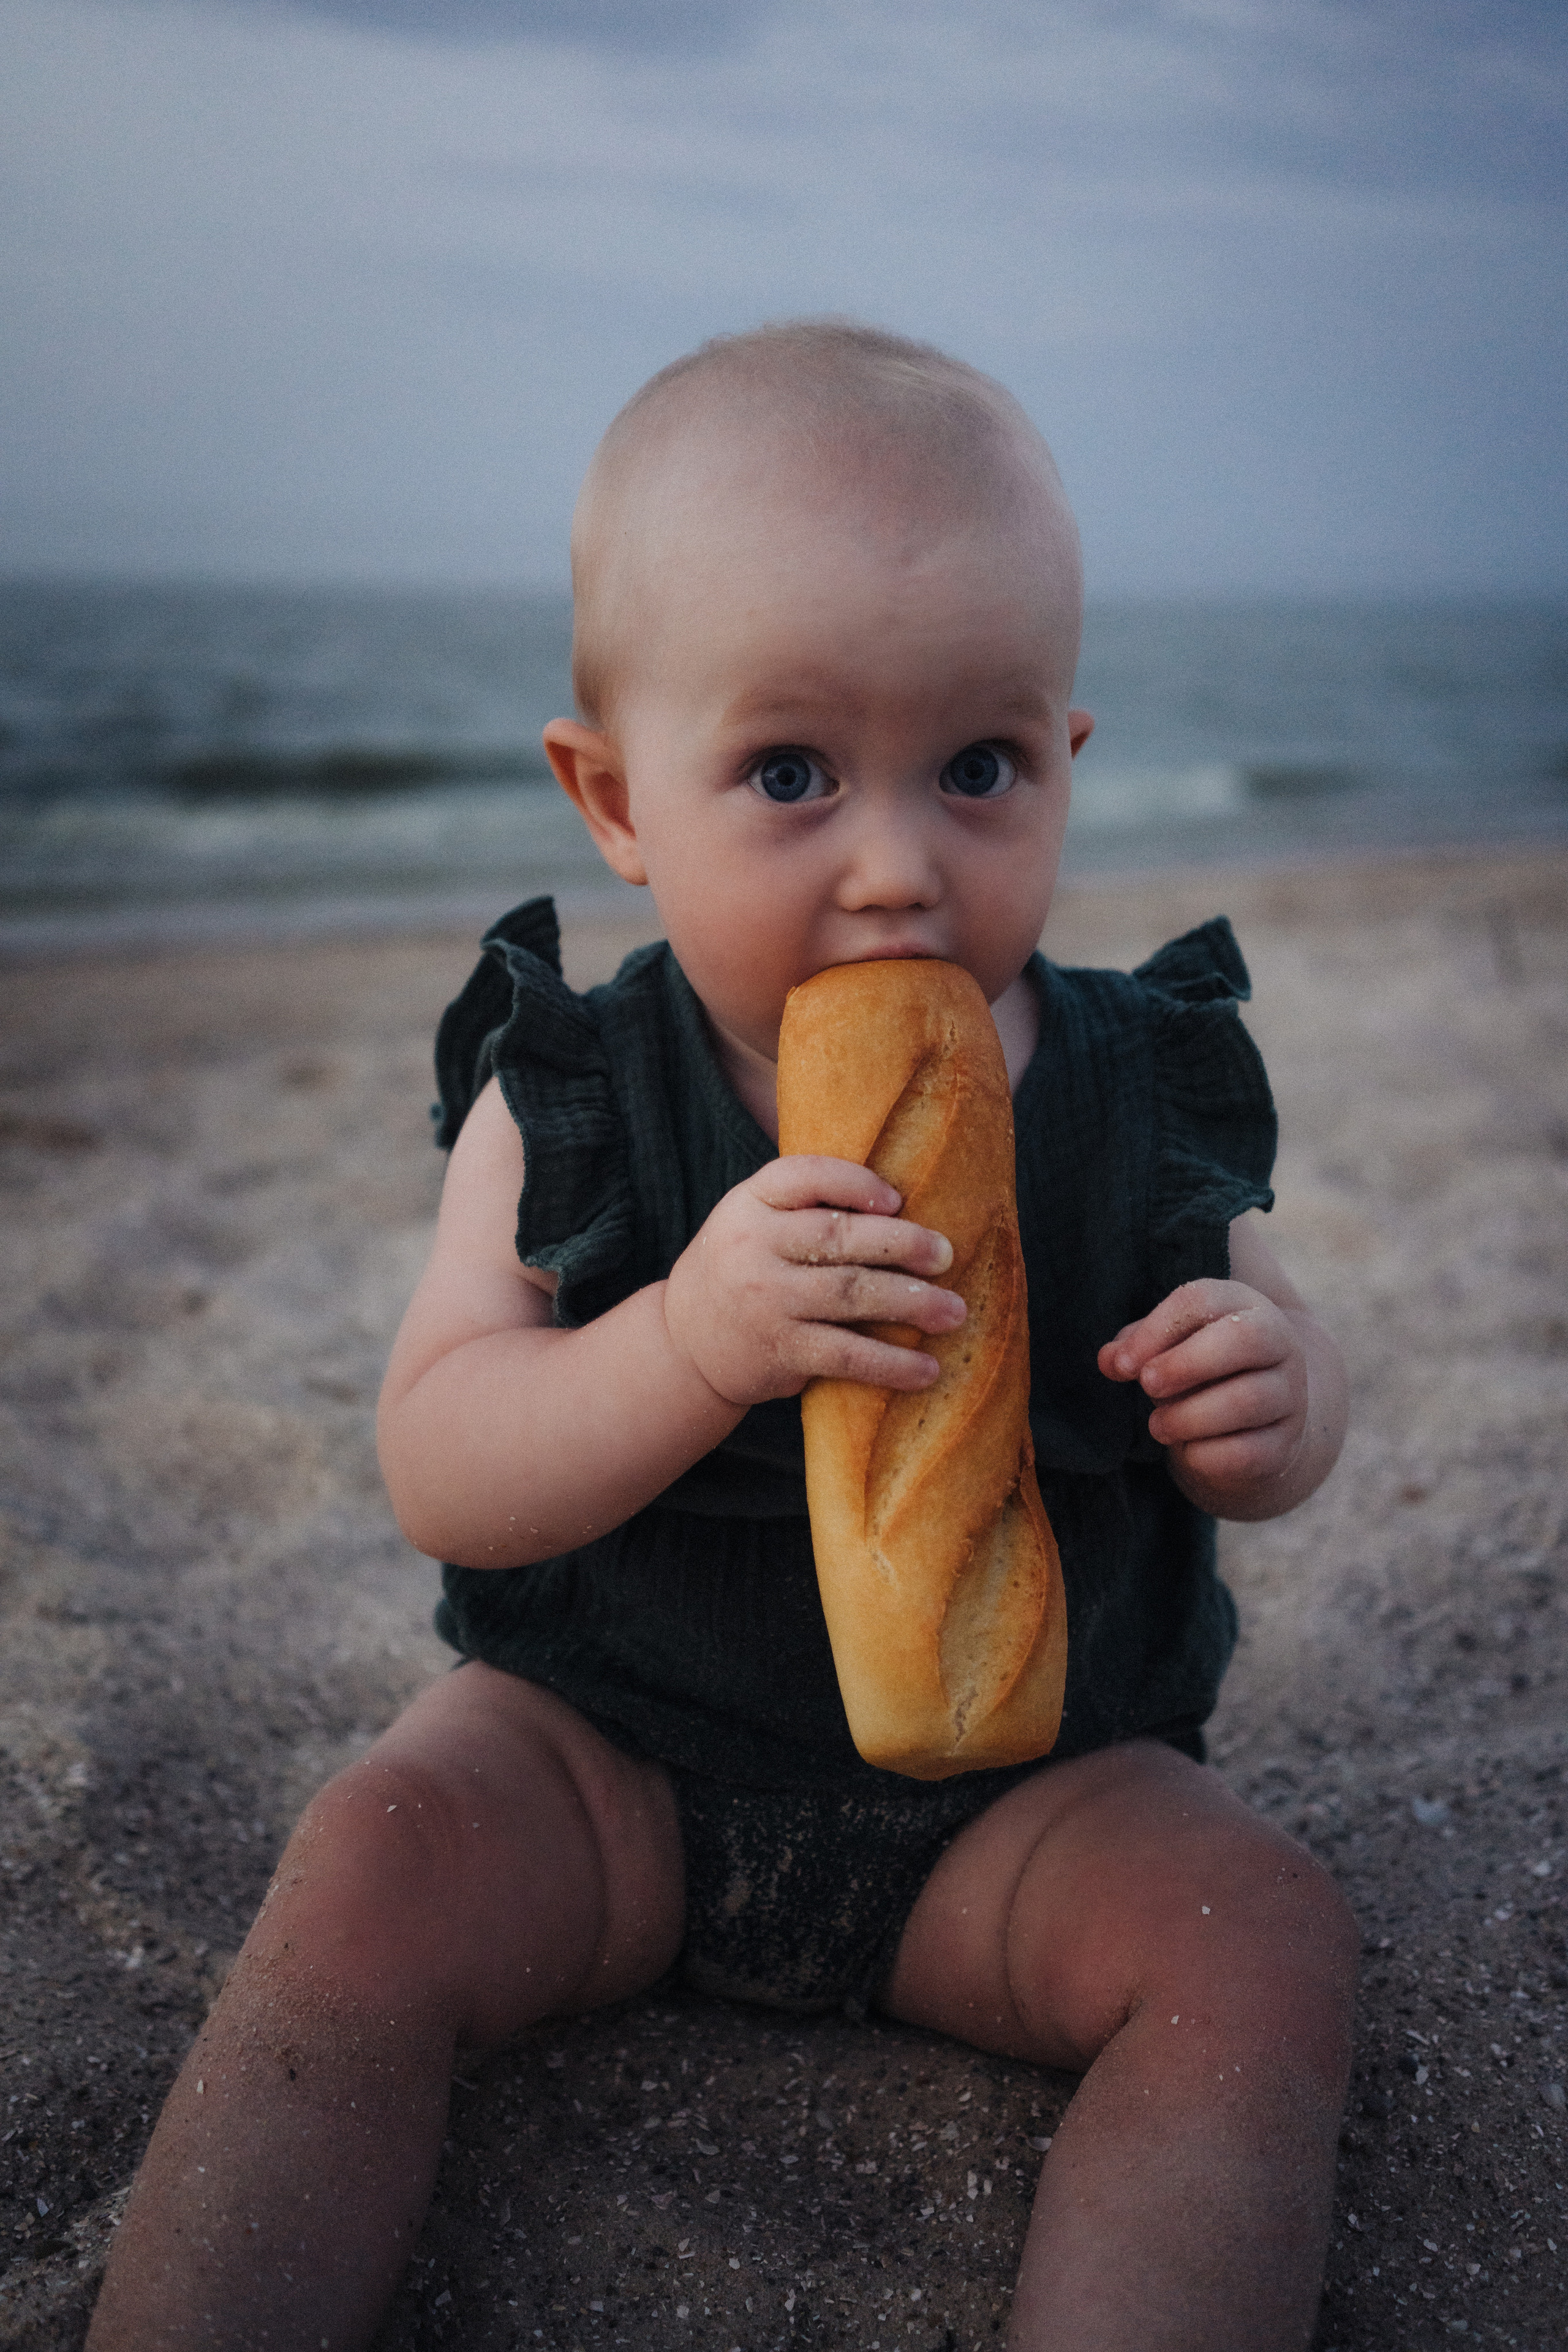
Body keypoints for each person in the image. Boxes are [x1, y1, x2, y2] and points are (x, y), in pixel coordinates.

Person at [90, 322, 1356, 2351]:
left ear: (1067, 761)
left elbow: (1283, 1385)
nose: (895, 868)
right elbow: (447, 1461)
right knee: (373, 1859)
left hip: (1021, 1808)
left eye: (980, 768)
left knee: (1267, 1939)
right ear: (613, 801)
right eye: (787, 773)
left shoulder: (1145, 1078)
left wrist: (1267, 1405)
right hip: (611, 1770)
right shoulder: (569, 1096)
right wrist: (686, 1342)